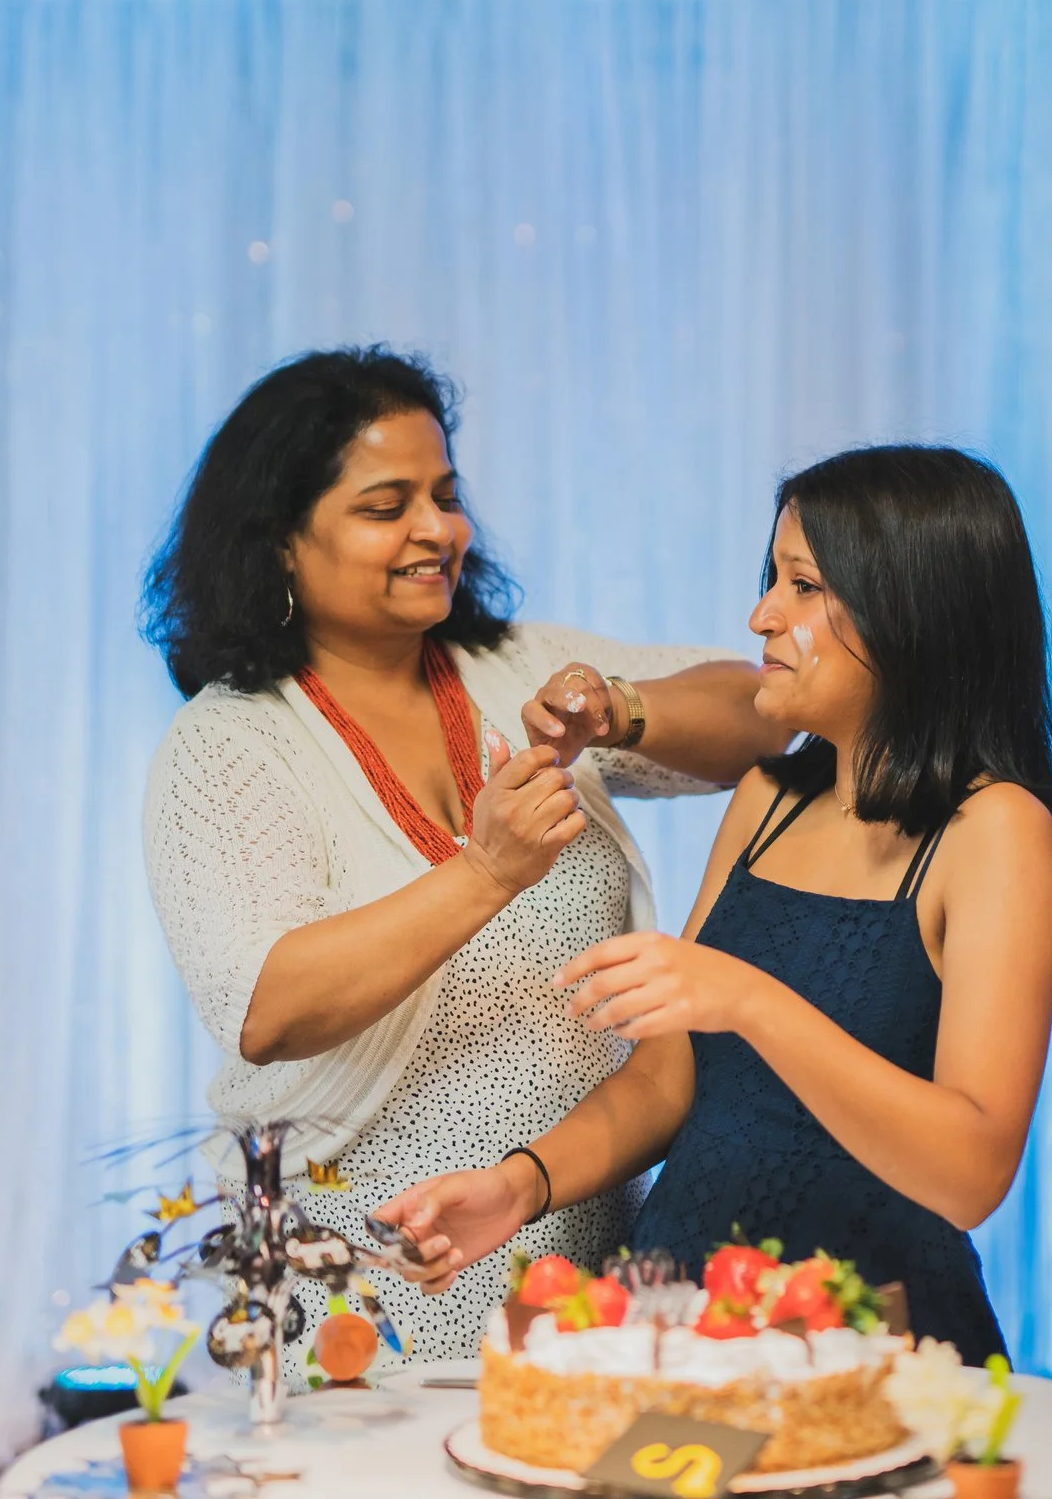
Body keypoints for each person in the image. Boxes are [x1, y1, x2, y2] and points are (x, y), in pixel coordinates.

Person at [140, 346, 789, 1369]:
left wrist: (619, 708)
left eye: (445, 495)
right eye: (385, 505)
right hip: (368, 1267)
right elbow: (266, 1008)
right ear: (278, 545)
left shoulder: (513, 668)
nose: (438, 529)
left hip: (579, 1253)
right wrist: (483, 874)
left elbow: (765, 715)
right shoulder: (229, 744)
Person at [378, 446, 1052, 1361]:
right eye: (771, 580)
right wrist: (519, 1188)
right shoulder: (767, 799)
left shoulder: (997, 833)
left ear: (912, 608)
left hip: (870, 1343)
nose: (762, 615)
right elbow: (668, 1082)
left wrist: (748, 1000)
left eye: (803, 586)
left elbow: (971, 1173)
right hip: (681, 1314)